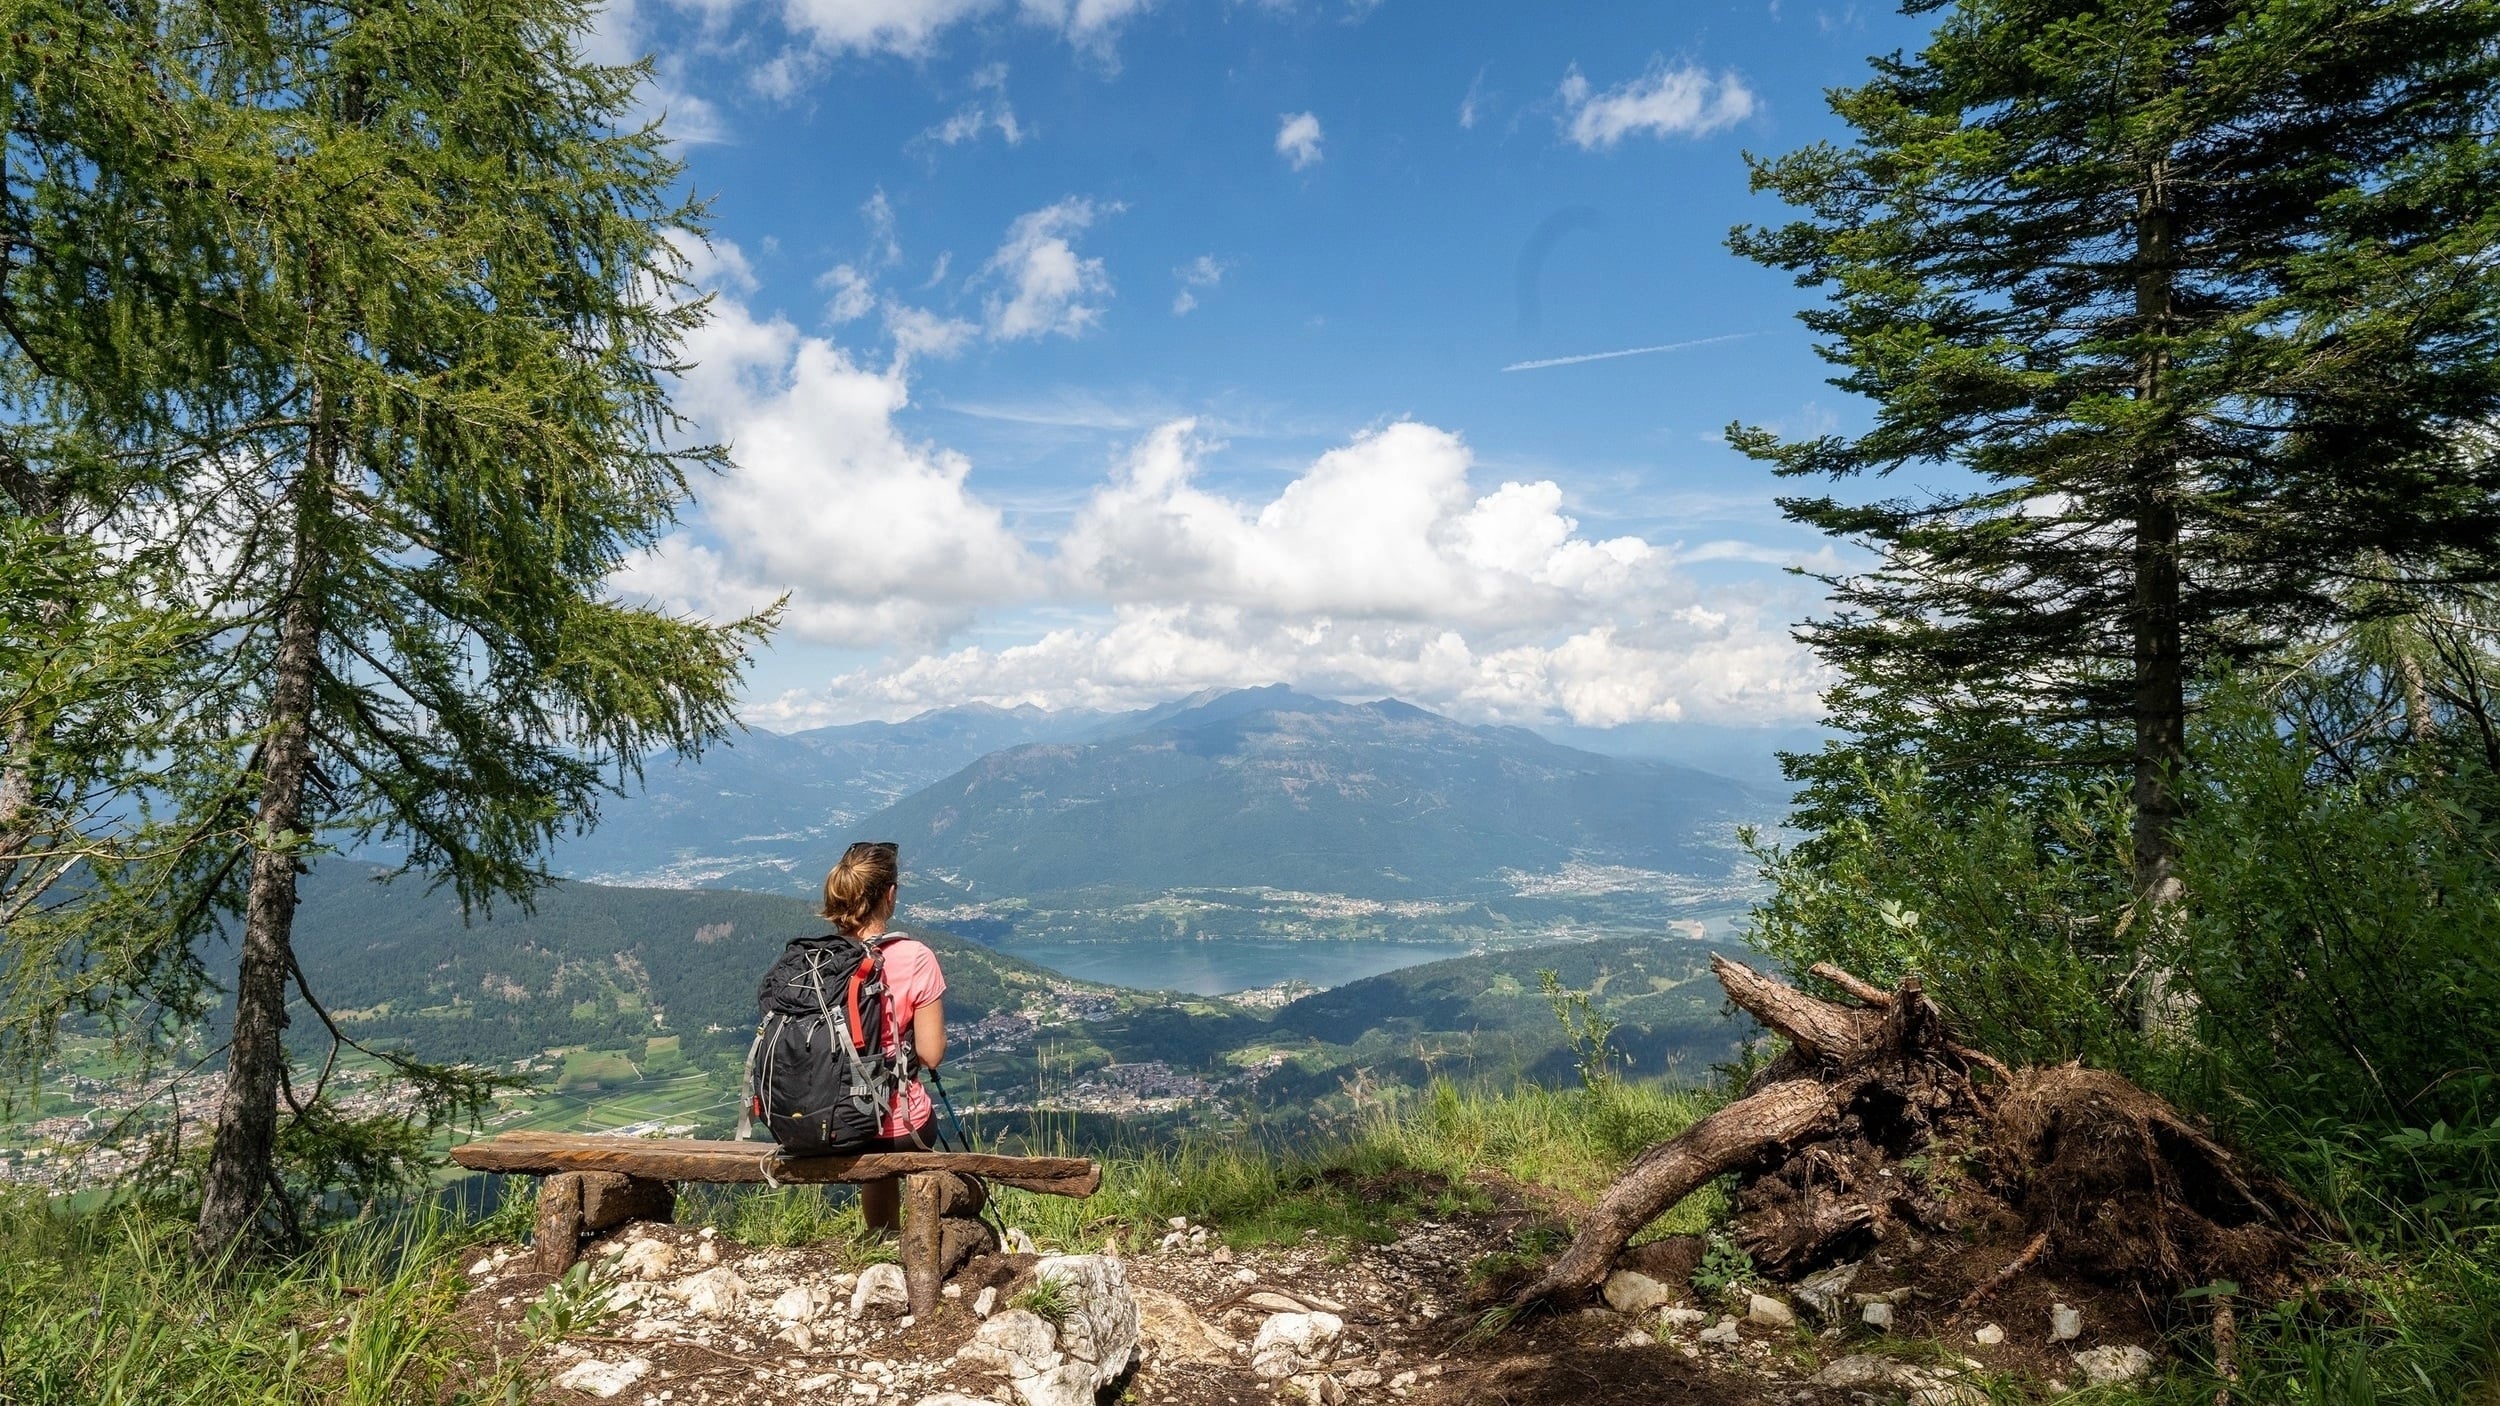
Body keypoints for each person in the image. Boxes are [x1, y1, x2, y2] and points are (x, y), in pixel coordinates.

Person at [819, 840, 947, 1235]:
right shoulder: (915, 956)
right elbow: (930, 1054)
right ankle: (919, 1241)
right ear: (889, 896)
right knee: (905, 1129)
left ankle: (882, 1239)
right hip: (898, 1127)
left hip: (828, 1121)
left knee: (872, 1152)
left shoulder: (818, 959)